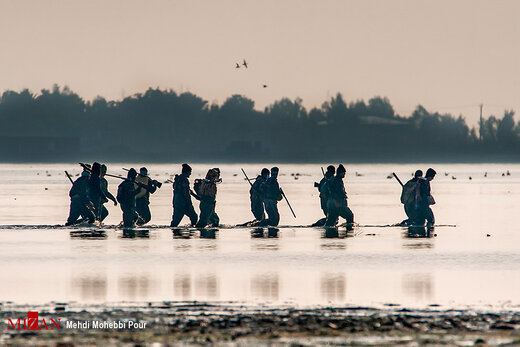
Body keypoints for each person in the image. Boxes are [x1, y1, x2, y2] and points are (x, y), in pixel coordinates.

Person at [325, 164, 354, 230]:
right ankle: (349, 229)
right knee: (349, 215)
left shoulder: (334, 180)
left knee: (330, 222)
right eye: (343, 173)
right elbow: (335, 193)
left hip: (332, 204)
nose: (344, 175)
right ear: (340, 173)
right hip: (337, 204)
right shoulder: (337, 181)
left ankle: (329, 233)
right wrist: (337, 202)